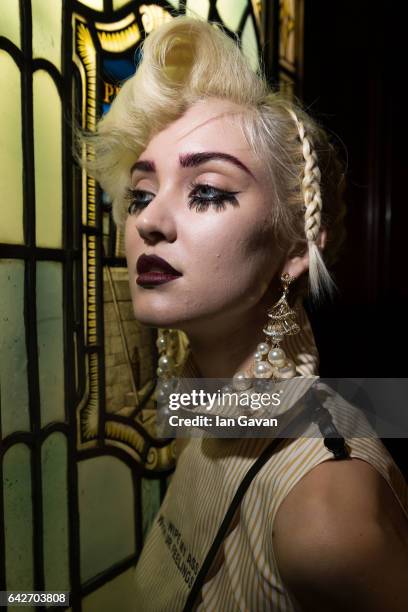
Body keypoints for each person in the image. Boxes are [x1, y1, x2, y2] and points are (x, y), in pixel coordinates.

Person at [80, 16, 408, 611]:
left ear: (292, 251)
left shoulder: (326, 524)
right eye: (140, 194)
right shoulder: (204, 406)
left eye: (207, 190)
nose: (149, 222)